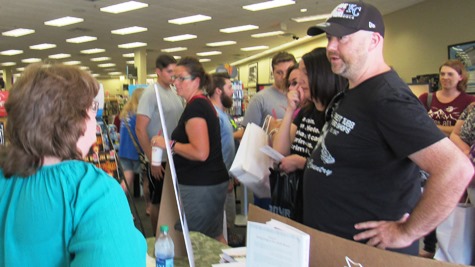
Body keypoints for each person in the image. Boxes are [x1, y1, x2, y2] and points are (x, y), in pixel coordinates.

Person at [304, 1, 473, 256]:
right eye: (329, 38)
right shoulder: (356, 90)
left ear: (373, 41)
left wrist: (406, 232)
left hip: (367, 254)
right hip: (336, 247)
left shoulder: (387, 98)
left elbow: (456, 169)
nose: (331, 47)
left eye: (342, 38)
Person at [0, 63, 145, 266]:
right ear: (73, 120)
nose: (95, 125)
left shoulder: (5, 177)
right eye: (93, 111)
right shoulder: (93, 190)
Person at [152, 57, 229, 244]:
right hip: (207, 182)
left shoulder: (196, 106)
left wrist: (168, 144)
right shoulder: (199, 104)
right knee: (213, 237)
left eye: (180, 78)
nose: (175, 82)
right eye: (174, 78)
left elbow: (200, 152)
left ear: (196, 81)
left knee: (199, 241)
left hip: (201, 186)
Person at [272, 47, 346, 222]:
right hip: (300, 202)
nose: (300, 81)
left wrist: (302, 163)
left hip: (327, 210)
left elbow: (340, 169)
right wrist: (290, 110)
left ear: (321, 74)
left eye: (305, 72)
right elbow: (279, 151)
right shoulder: (306, 112)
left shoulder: (339, 114)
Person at [235, 51, 297, 210]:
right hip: (268, 175)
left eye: (288, 71)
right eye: (279, 72)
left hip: (294, 173)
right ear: (273, 73)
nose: (283, 77)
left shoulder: (300, 97)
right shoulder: (260, 99)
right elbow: (246, 135)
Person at [136, 54, 184, 235]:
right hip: (159, 159)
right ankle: (158, 237)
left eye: (175, 71)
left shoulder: (173, 92)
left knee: (171, 201)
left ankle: (171, 235)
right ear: (158, 72)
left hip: (174, 155)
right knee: (158, 201)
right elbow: (140, 130)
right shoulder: (150, 93)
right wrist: (152, 160)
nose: (173, 76)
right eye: (169, 71)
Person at [208, 72, 243, 245]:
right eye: (229, 87)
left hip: (225, 176)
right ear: (218, 91)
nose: (232, 91)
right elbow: (214, 152)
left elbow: (227, 146)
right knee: (219, 223)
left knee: (227, 219)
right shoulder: (213, 115)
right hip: (218, 180)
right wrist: (225, 177)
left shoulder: (224, 115)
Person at [418, 59, 475, 136]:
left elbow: (465, 131)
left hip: (455, 146)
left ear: (460, 77)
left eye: (450, 74)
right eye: (442, 74)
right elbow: (417, 123)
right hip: (428, 145)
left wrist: (430, 126)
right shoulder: (426, 98)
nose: (445, 77)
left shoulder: (470, 101)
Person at [118, 88, 145, 195]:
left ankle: (119, 198)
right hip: (135, 152)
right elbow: (140, 133)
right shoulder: (139, 115)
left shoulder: (125, 114)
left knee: (127, 177)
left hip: (123, 151)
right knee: (145, 178)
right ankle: (148, 206)